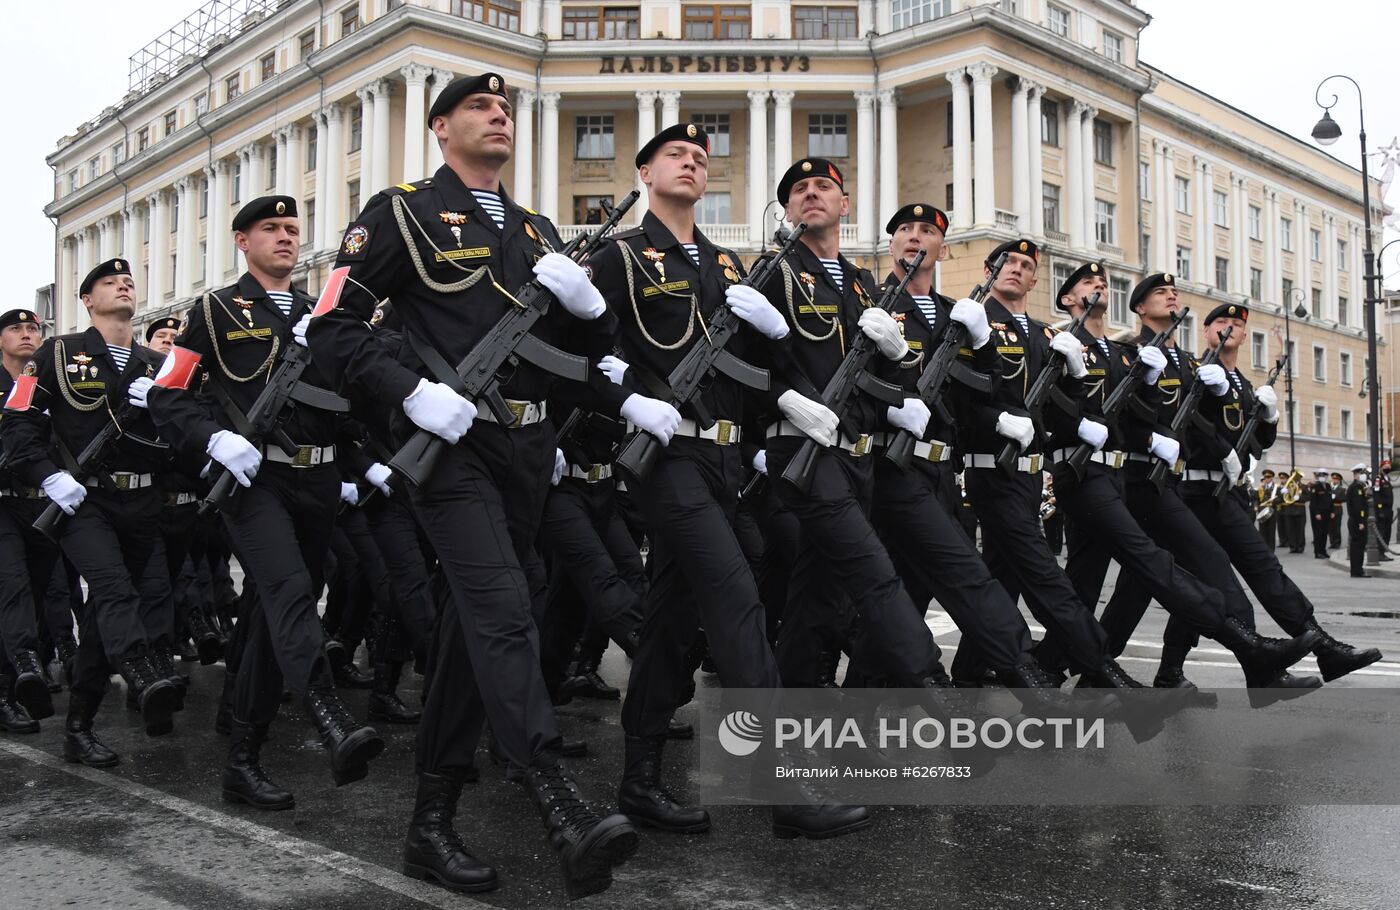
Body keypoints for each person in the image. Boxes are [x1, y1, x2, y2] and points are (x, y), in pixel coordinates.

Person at [306, 73, 638, 898]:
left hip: (526, 449)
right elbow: (332, 330)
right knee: (502, 608)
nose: (500, 115)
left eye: (506, 109)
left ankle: (431, 821)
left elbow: (576, 348)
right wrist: (411, 391)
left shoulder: (536, 229)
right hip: (448, 447)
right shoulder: (400, 211)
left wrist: (590, 307)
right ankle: (553, 796)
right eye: (482, 108)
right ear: (441, 125)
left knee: (469, 625)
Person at [146, 195, 385, 809]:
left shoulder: (318, 312)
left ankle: (243, 759)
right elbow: (170, 397)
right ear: (241, 242)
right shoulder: (214, 309)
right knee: (289, 592)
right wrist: (215, 440)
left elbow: (353, 405)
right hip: (255, 482)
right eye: (270, 229)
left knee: (264, 617)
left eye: (291, 228)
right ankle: (328, 713)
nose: (284, 237)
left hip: (320, 481)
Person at [2, 258, 180, 765]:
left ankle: (79, 726)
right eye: (109, 282)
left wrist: (166, 408)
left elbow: (180, 436)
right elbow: (20, 422)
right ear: (87, 300)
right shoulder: (58, 353)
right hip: (85, 498)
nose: (123, 285)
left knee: (105, 618)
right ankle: (144, 674)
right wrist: (48, 476)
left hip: (143, 501)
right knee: (113, 588)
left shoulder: (154, 363)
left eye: (127, 281)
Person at [0, 308, 60, 731]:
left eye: (32, 328)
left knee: (37, 593)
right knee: (13, 589)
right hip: (2, 502)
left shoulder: (51, 382)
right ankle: (10, 687)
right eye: (15, 328)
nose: (26, 334)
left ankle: (26, 674)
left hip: (42, 503)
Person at [1347, 464, 1370, 578]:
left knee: (1357, 546)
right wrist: (1361, 521)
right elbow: (1358, 507)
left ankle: (1356, 570)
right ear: (1356, 475)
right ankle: (1357, 570)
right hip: (1357, 522)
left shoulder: (1358, 486)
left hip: (1355, 521)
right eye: (1362, 474)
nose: (1364, 476)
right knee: (1357, 547)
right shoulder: (1356, 487)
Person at [1309, 470, 1333, 559]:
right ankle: (1317, 552)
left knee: (1324, 532)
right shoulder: (1315, 486)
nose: (1323, 477)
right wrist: (1317, 513)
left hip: (1327, 513)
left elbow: (1330, 500)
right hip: (1318, 514)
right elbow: (1313, 502)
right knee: (1318, 533)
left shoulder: (1328, 486)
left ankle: (1323, 550)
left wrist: (1332, 511)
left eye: (1325, 475)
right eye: (1321, 475)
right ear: (1318, 476)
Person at [1256, 469, 1279, 549]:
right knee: (1262, 530)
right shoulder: (1261, 487)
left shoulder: (1276, 487)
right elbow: (1256, 499)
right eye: (1265, 477)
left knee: (1271, 530)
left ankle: (1271, 549)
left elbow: (1280, 498)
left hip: (1272, 510)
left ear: (1272, 477)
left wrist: (1274, 501)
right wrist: (1256, 506)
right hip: (1262, 510)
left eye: (1268, 477)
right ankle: (1264, 548)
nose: (1267, 478)